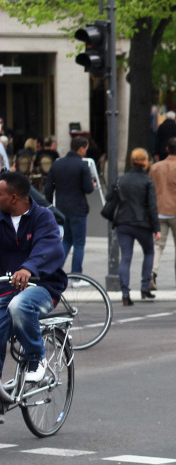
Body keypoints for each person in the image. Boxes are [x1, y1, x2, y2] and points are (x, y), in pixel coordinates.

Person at [0, 170, 65, 388]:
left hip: (43, 286)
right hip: (6, 288)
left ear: (13, 197)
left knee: (20, 305)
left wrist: (28, 268)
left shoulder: (43, 217)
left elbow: (49, 246)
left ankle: (37, 359)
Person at [109, 148, 161, 305]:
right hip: (142, 223)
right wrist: (156, 228)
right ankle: (145, 288)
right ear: (145, 162)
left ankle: (125, 293)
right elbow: (152, 206)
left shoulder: (122, 179)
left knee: (126, 257)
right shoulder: (147, 181)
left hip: (123, 223)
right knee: (149, 252)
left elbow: (110, 197)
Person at [43, 135, 96, 281]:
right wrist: (93, 185)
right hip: (78, 208)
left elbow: (48, 188)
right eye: (85, 149)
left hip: (61, 208)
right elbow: (88, 189)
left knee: (66, 240)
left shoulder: (57, 164)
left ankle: (55, 271)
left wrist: (49, 206)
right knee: (79, 243)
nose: (86, 152)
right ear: (80, 149)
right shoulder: (82, 165)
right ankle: (77, 276)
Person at [151, 136, 176, 288]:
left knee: (158, 244)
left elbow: (151, 191)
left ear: (167, 149)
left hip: (159, 210)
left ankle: (152, 272)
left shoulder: (155, 168)